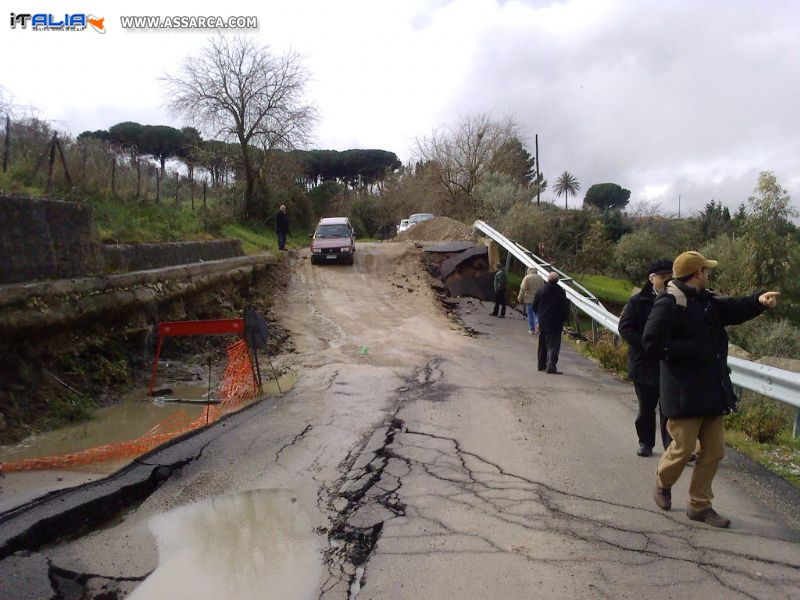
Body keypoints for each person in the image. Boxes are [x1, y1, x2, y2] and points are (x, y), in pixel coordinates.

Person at [643, 251, 779, 528]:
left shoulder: (705, 301)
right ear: (697, 274)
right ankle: (663, 482)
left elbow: (733, 309)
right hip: (683, 392)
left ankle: (699, 505)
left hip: (711, 389)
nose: (709, 274)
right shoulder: (669, 304)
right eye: (707, 270)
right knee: (682, 450)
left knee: (714, 451)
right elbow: (651, 343)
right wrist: (692, 349)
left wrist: (758, 301)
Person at [619, 258, 674, 457]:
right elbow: (624, 328)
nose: (668, 282)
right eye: (663, 278)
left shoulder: (678, 301)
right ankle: (645, 442)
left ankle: (672, 449)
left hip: (669, 364)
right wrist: (647, 345)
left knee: (670, 410)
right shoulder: (637, 302)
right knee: (646, 409)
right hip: (643, 365)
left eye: (671, 278)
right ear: (652, 279)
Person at [532, 272, 570, 374]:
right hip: (555, 323)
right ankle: (551, 366)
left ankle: (541, 364)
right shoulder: (560, 292)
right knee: (553, 345)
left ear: (548, 279)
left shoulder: (541, 290)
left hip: (543, 321)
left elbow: (534, 305)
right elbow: (565, 308)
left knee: (542, 344)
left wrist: (540, 315)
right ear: (557, 280)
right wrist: (563, 318)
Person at [517, 268, 545, 334]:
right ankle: (538, 323)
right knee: (537, 313)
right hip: (539, 299)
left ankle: (531, 329)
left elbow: (523, 289)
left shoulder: (527, 278)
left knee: (530, 314)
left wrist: (519, 298)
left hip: (529, 299)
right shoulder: (540, 278)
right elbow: (543, 288)